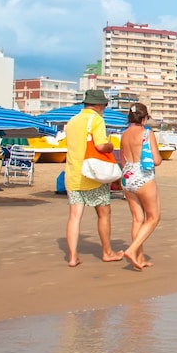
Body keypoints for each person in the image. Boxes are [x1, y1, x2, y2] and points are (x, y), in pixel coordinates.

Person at [64, 89, 123, 267]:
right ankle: (107, 252)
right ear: (98, 105)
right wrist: (111, 145)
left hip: (73, 174)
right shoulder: (96, 119)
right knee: (104, 213)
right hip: (92, 174)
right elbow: (100, 146)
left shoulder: (72, 121)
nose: (104, 108)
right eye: (104, 105)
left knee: (74, 217)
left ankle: (73, 256)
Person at [119, 103, 163, 270]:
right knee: (153, 217)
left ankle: (140, 257)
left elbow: (122, 158)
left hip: (127, 176)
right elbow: (157, 160)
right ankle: (132, 250)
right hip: (143, 176)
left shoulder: (124, 135)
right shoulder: (147, 133)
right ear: (144, 118)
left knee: (138, 218)